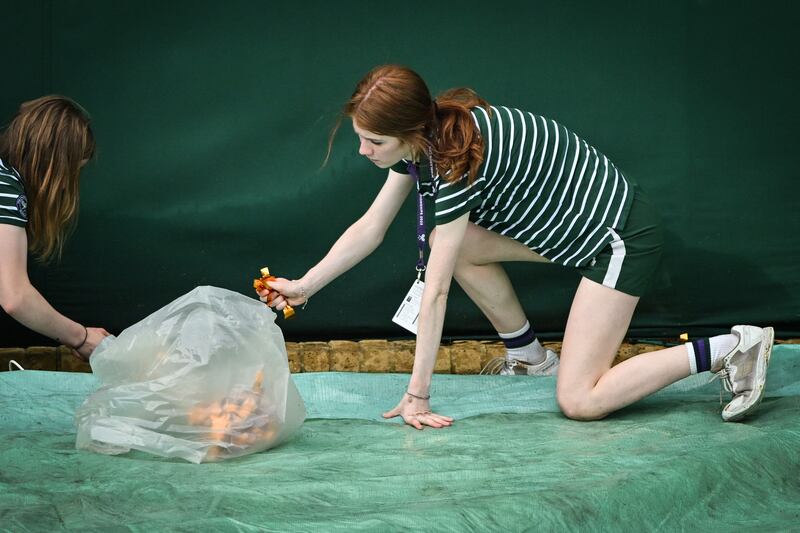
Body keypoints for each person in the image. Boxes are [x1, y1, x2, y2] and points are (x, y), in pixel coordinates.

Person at [259, 65, 773, 429]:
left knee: (580, 402)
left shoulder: (454, 158)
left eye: (374, 142)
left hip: (619, 238)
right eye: (361, 137)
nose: (363, 150)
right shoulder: (427, 139)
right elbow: (370, 228)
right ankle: (530, 357)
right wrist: (304, 287)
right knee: (449, 243)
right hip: (575, 233)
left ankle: (732, 348)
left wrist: (417, 394)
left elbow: (435, 293)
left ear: (410, 130)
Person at [0, 96, 110, 361]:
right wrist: (81, 337)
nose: (65, 185)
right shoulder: (6, 186)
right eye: (71, 171)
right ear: (53, 160)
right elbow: (15, 297)